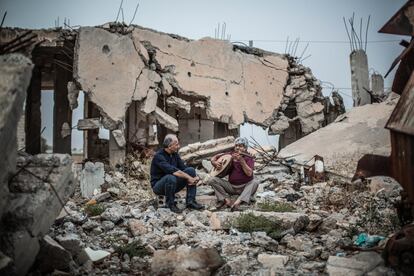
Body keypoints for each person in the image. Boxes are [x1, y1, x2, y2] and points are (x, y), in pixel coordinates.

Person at [150, 134, 204, 213]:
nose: (178, 146)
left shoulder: (175, 154)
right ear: (169, 146)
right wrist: (189, 178)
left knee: (191, 170)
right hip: (159, 186)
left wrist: (196, 177)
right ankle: (170, 204)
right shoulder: (159, 156)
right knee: (170, 177)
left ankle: (191, 201)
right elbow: (173, 171)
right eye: (176, 144)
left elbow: (184, 168)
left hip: (173, 184)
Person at [206, 137, 259, 211]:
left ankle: (238, 202)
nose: (237, 148)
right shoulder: (230, 154)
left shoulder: (249, 158)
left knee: (255, 182)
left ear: (245, 148)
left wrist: (241, 160)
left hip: (244, 187)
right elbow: (215, 156)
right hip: (231, 187)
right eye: (236, 145)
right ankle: (226, 200)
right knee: (211, 180)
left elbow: (249, 173)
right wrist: (213, 162)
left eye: (240, 146)